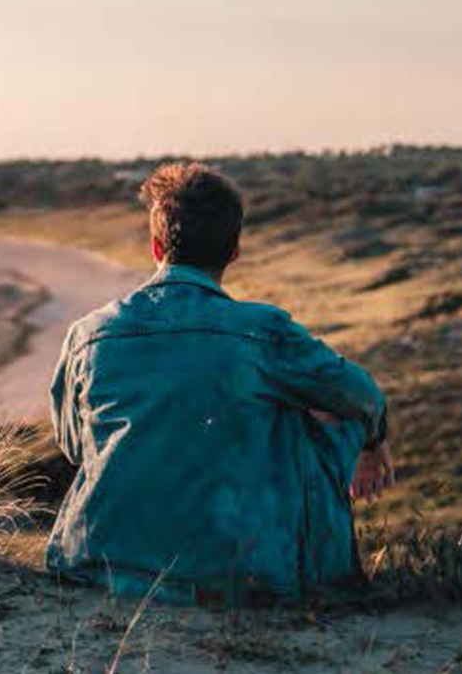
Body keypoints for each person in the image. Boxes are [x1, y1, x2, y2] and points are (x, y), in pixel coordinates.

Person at [45, 162, 393, 606]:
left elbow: (75, 447)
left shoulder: (88, 334)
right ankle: (326, 577)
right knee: (331, 417)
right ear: (234, 252)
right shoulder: (263, 331)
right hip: (236, 579)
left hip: (94, 566)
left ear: (156, 247)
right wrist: (372, 443)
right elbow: (363, 395)